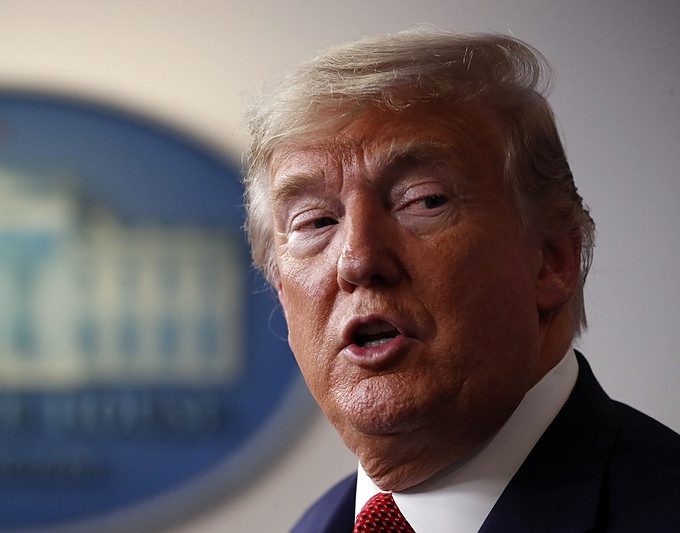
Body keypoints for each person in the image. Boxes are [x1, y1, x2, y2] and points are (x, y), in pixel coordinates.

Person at [242, 29, 680, 532]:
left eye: (424, 200)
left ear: (553, 260)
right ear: (281, 292)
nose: (358, 261)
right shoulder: (318, 525)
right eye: (316, 222)